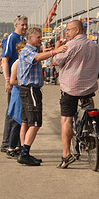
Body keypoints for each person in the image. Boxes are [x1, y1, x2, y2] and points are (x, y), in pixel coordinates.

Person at [52, 20, 99, 169]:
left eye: (68, 30)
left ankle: (66, 154)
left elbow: (55, 61)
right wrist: (93, 75)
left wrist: (56, 49)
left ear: (76, 30)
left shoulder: (71, 45)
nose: (66, 33)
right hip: (89, 88)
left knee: (66, 120)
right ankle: (90, 129)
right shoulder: (95, 46)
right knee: (89, 108)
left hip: (70, 88)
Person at [17, 26, 67, 166]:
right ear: (30, 38)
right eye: (38, 38)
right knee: (36, 122)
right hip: (30, 90)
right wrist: (55, 51)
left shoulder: (32, 50)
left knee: (27, 121)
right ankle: (24, 154)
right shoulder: (27, 51)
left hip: (29, 90)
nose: (41, 40)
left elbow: (40, 54)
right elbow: (38, 57)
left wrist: (55, 48)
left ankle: (24, 152)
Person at [0, 15, 28, 153]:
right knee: (12, 113)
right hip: (13, 81)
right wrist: (7, 81)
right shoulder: (12, 38)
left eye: (26, 24)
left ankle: (15, 143)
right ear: (16, 25)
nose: (24, 27)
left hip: (20, 82)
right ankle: (7, 144)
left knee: (17, 113)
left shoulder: (22, 39)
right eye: (22, 25)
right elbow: (5, 60)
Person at [5, 42, 26, 158]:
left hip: (21, 94)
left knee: (21, 122)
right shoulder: (17, 64)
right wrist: (25, 84)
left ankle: (18, 145)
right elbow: (13, 81)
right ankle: (11, 147)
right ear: (19, 51)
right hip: (17, 94)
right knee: (16, 122)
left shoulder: (23, 63)